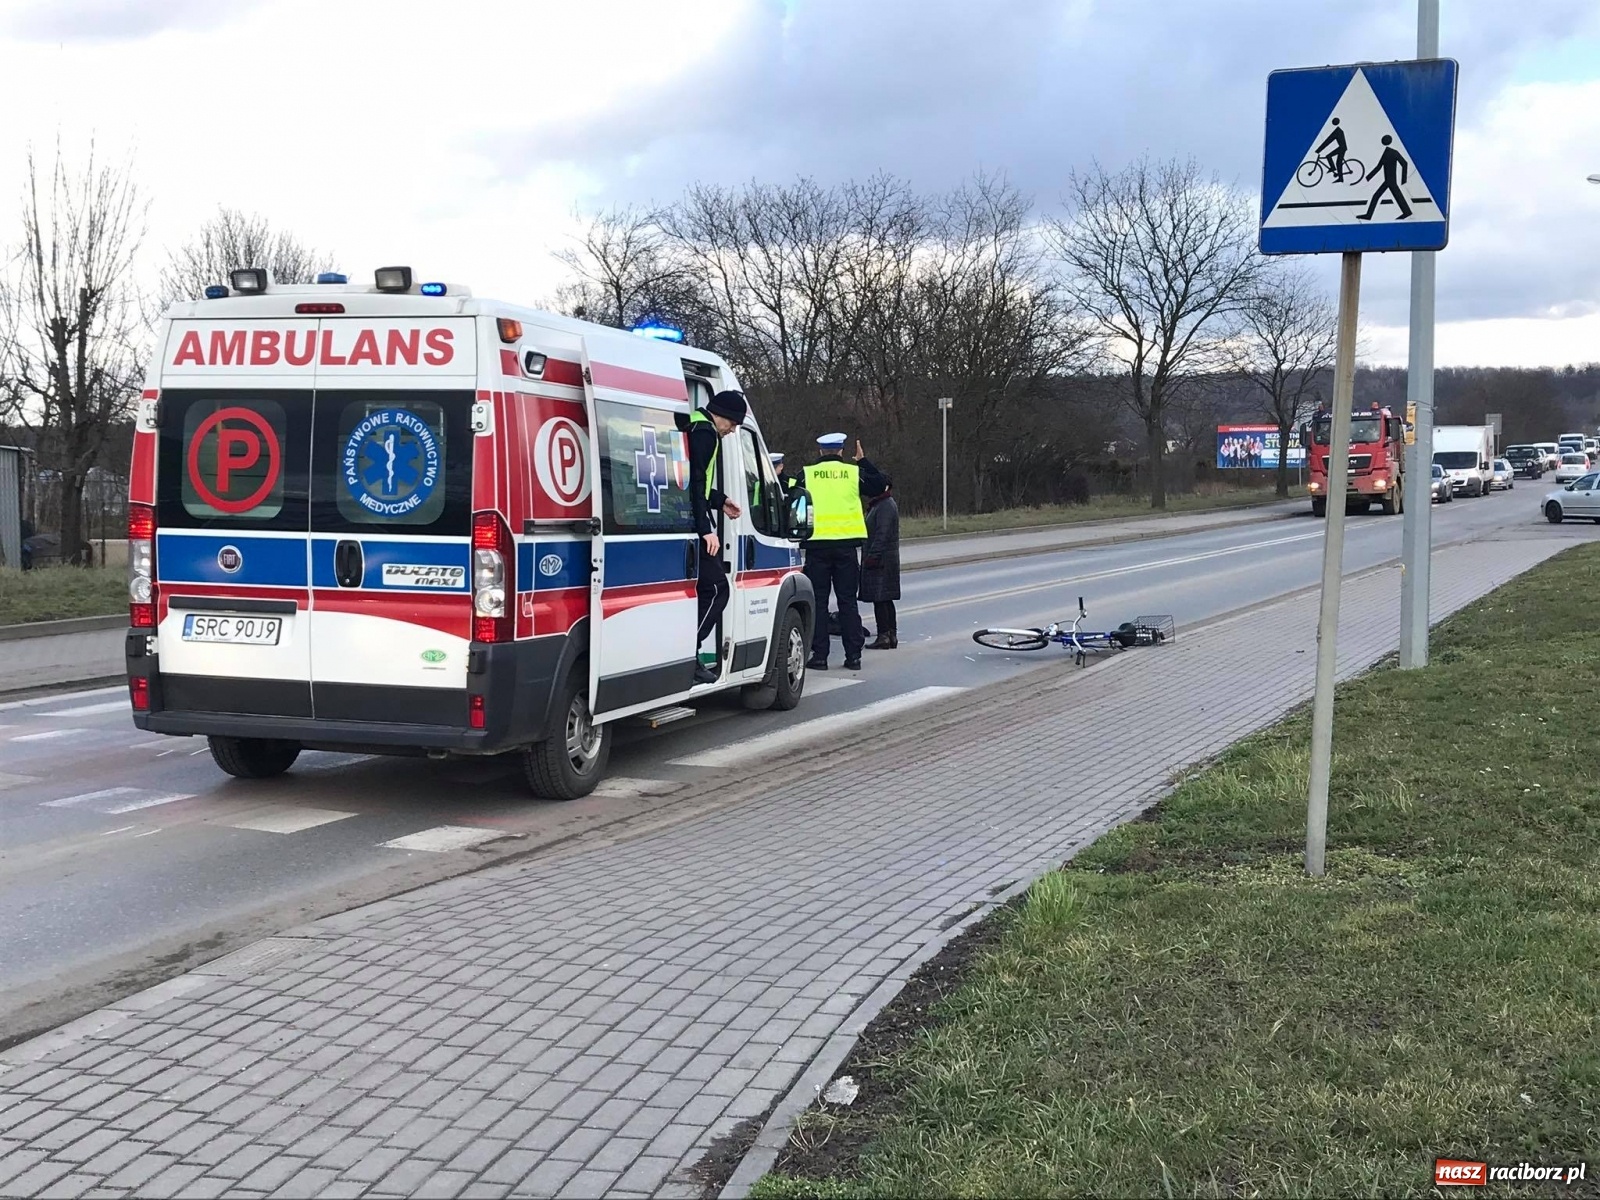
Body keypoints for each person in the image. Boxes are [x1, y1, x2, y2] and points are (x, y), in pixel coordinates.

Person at [802, 433, 885, 671]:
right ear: (840, 451)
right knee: (847, 601)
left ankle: (820, 656)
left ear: (820, 452)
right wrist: (862, 461)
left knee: (818, 602)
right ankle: (853, 656)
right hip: (846, 548)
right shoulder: (852, 473)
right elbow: (879, 485)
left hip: (817, 547)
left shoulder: (807, 474)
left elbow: (787, 491)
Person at [687, 390, 746, 685]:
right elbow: (693, 484)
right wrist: (705, 529)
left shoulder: (696, 424)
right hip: (694, 527)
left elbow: (700, 485)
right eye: (733, 423)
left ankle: (688, 652)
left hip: (695, 520)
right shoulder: (705, 434)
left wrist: (721, 500)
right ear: (721, 415)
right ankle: (689, 652)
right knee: (716, 588)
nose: (732, 430)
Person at [860, 474, 900, 650]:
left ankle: (884, 635)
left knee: (880, 598)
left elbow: (881, 534)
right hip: (885, 559)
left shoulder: (885, 506)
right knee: (885, 599)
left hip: (881, 561)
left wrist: (873, 556)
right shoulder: (881, 504)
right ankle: (891, 635)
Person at [1358, 135, 1412, 221]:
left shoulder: (1391, 152)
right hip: (1388, 180)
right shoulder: (1389, 152)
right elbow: (1379, 166)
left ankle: (1369, 215)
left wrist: (1403, 179)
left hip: (1390, 181)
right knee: (1392, 196)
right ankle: (1407, 211)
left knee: (1379, 196)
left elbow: (1404, 163)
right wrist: (1368, 177)